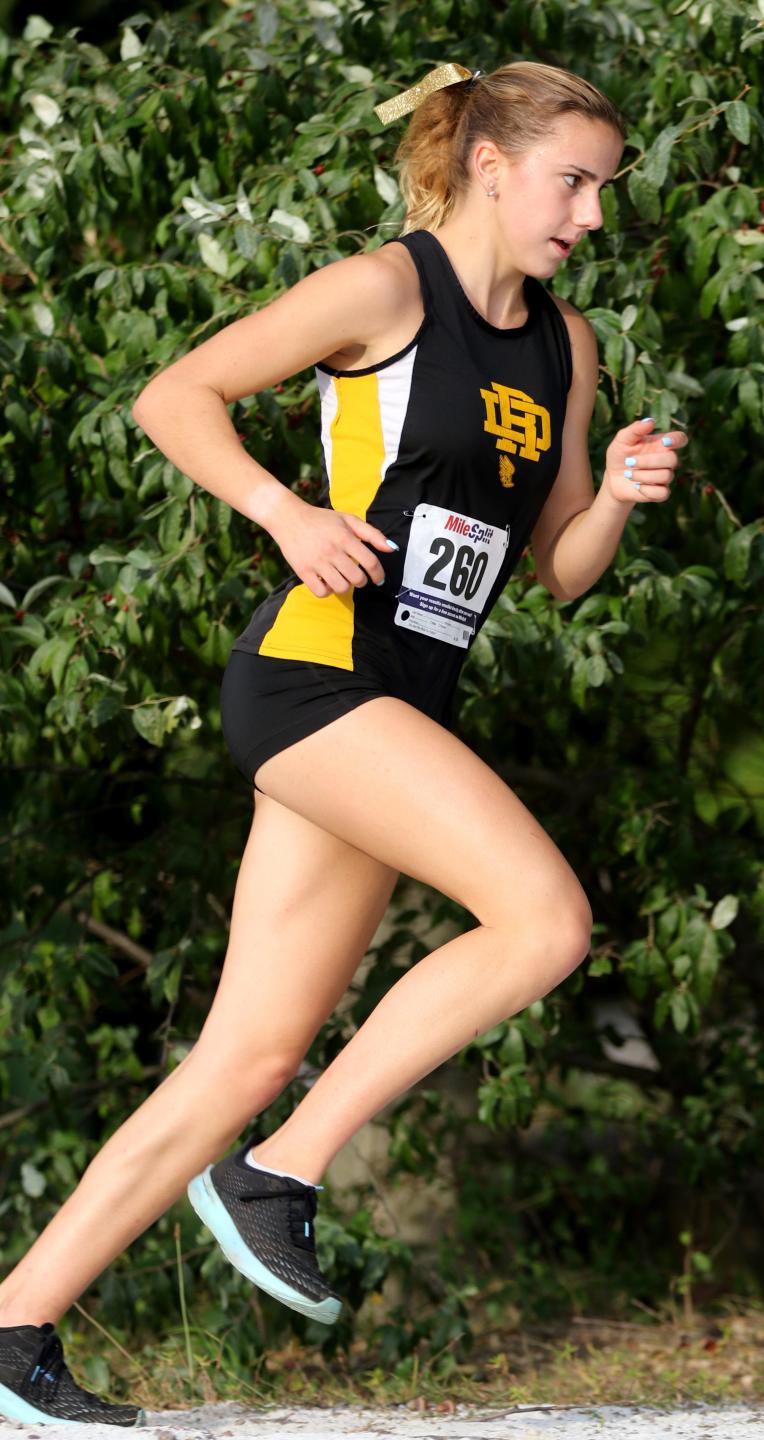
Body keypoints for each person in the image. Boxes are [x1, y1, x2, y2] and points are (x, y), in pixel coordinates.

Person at [0, 59, 684, 1425]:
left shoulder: (565, 348)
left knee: (243, 1057)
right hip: (317, 679)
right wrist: (283, 512)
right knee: (546, 923)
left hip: (405, 708)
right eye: (576, 183)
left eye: (606, 189)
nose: (594, 215)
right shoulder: (384, 291)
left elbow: (555, 569)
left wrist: (609, 495)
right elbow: (174, 395)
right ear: (492, 165)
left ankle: (12, 1332)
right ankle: (282, 1169)